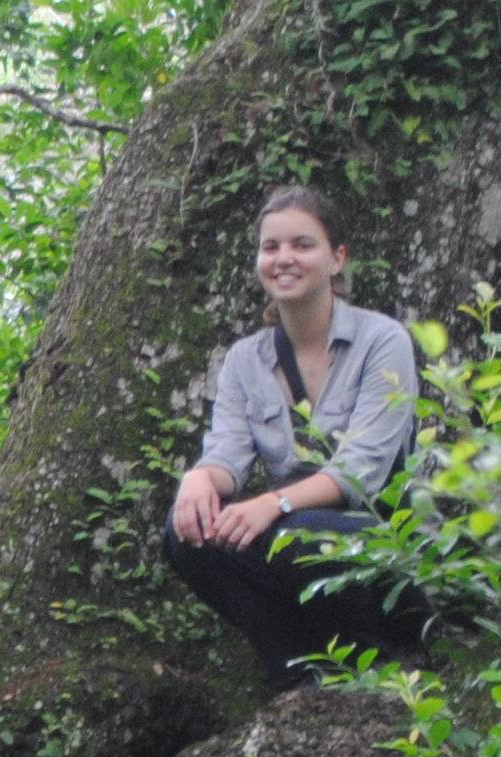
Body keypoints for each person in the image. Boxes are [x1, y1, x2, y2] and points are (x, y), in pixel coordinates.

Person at [166, 185, 427, 687]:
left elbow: (362, 470)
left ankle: (379, 666)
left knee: (301, 532)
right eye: (271, 247)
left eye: (302, 245)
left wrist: (272, 505)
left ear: (337, 258)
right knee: (188, 537)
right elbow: (227, 453)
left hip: (377, 546)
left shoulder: (382, 340)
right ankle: (296, 677)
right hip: (295, 543)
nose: (284, 258)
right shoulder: (246, 358)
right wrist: (198, 481)